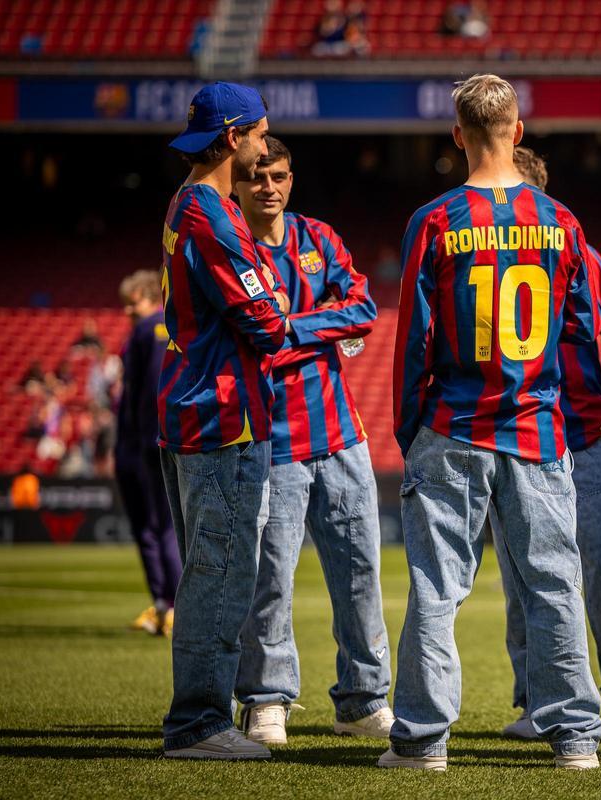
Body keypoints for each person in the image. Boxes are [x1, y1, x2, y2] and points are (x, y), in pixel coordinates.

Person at [385, 74, 601, 772]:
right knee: (553, 583)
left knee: (437, 586)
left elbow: (413, 336)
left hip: (454, 424)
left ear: (458, 135)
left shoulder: (437, 220)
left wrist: (409, 424)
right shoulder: (562, 221)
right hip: (538, 429)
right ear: (517, 129)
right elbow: (581, 333)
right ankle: (574, 737)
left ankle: (422, 740)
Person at [233, 135, 392, 745]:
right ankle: (267, 698)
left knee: (359, 573)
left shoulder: (320, 238)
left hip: (342, 437)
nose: (267, 187)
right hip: (272, 441)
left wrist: (295, 326)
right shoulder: (233, 248)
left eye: (276, 175)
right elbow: (255, 334)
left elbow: (361, 309)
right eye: (255, 177)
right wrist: (315, 328)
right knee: (270, 577)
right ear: (238, 185)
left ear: (291, 178)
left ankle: (361, 699)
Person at [498, 146, 601, 742]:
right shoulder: (485, 259)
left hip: (580, 441)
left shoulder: (581, 256)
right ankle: (540, 701)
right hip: (516, 441)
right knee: (522, 580)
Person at [157, 81, 293, 761]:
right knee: (219, 576)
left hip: (199, 408)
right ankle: (198, 725)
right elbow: (265, 320)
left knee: (213, 572)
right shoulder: (210, 211)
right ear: (235, 137)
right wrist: (287, 310)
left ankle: (203, 718)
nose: (268, 147)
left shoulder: (190, 202)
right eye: (262, 134)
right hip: (222, 417)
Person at [115, 269, 182, 637]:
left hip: (144, 443)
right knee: (162, 527)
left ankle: (169, 606)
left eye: (131, 302)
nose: (127, 311)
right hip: (156, 440)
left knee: (157, 528)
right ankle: (167, 606)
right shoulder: (167, 326)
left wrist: (142, 443)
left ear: (146, 294)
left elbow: (144, 398)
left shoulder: (149, 329)